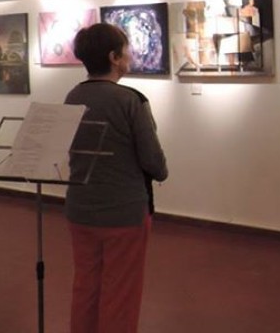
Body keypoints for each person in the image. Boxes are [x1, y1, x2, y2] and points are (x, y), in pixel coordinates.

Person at [64, 22, 169, 333]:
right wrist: (162, 170)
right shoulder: (130, 100)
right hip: (123, 212)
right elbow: (153, 161)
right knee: (121, 292)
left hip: (80, 208)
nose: (130, 55)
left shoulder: (72, 96)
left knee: (86, 285)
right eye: (126, 50)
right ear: (114, 57)